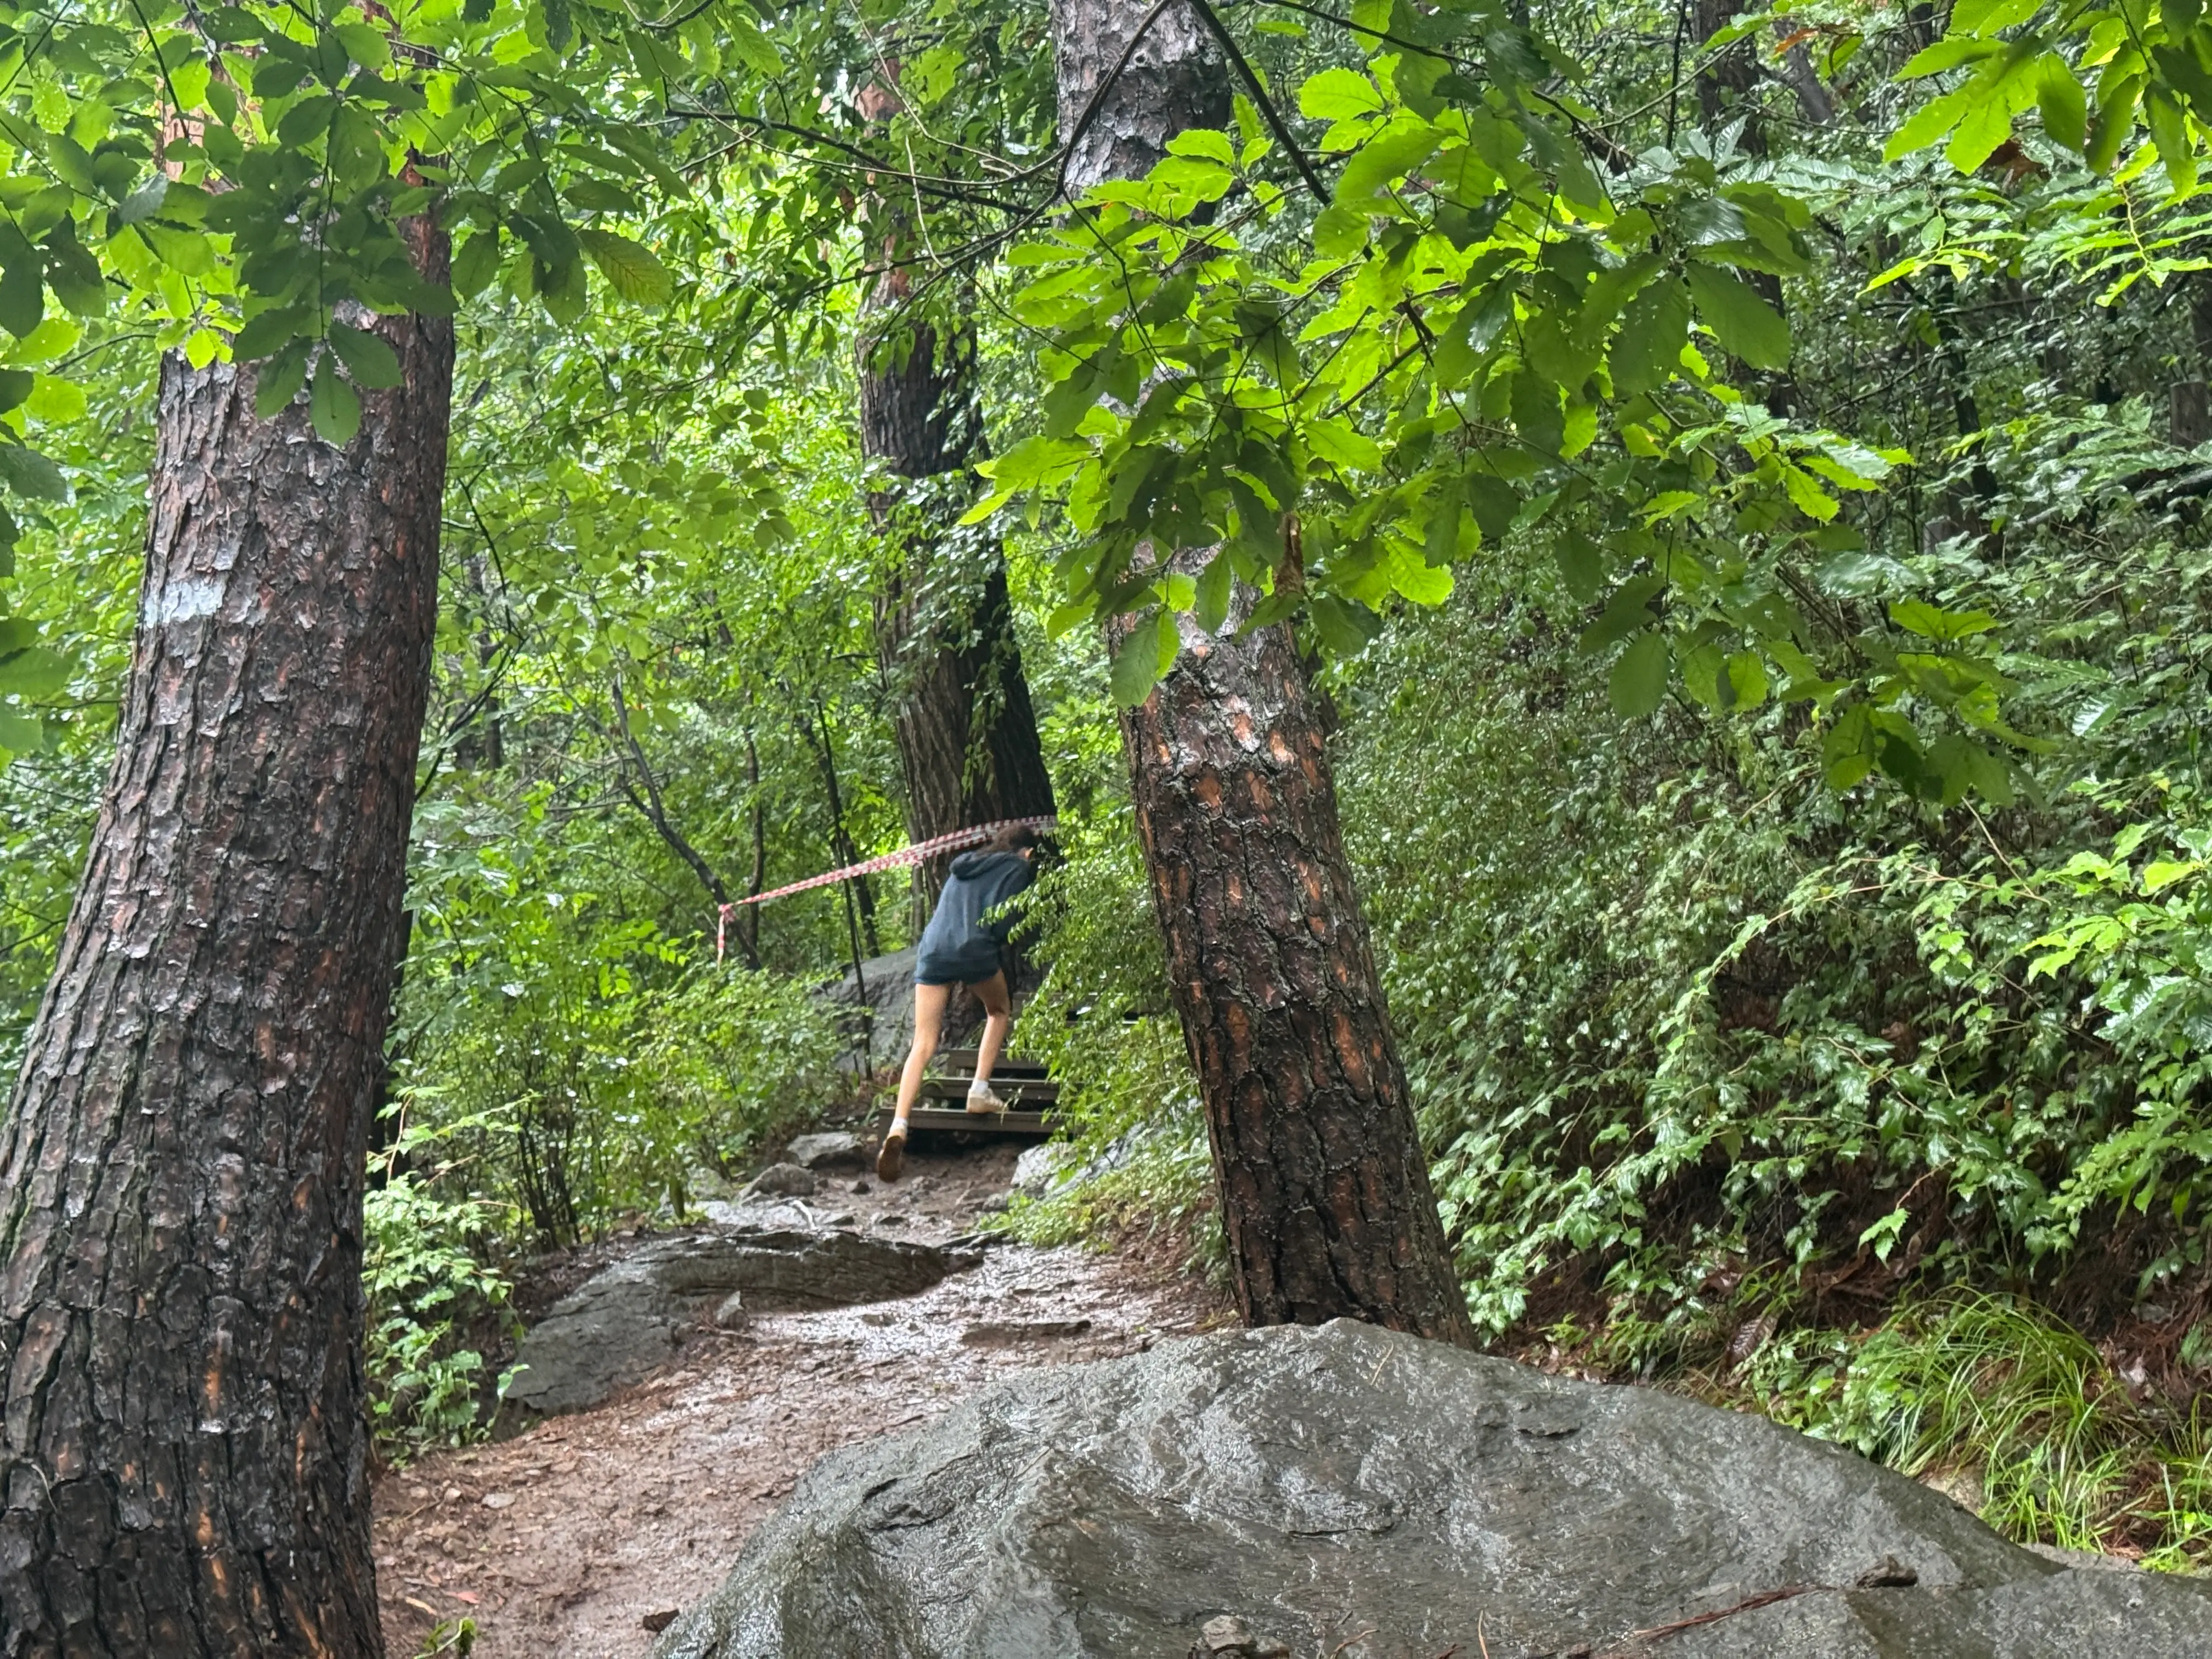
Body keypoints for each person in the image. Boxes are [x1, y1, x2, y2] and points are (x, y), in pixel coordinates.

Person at [876, 823, 1043, 1181]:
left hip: (934, 949)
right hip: (972, 949)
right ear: (1026, 851)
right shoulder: (1017, 869)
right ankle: (979, 1089)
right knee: (998, 1011)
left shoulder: (964, 864)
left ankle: (898, 1125)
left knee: (923, 1042)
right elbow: (1007, 922)